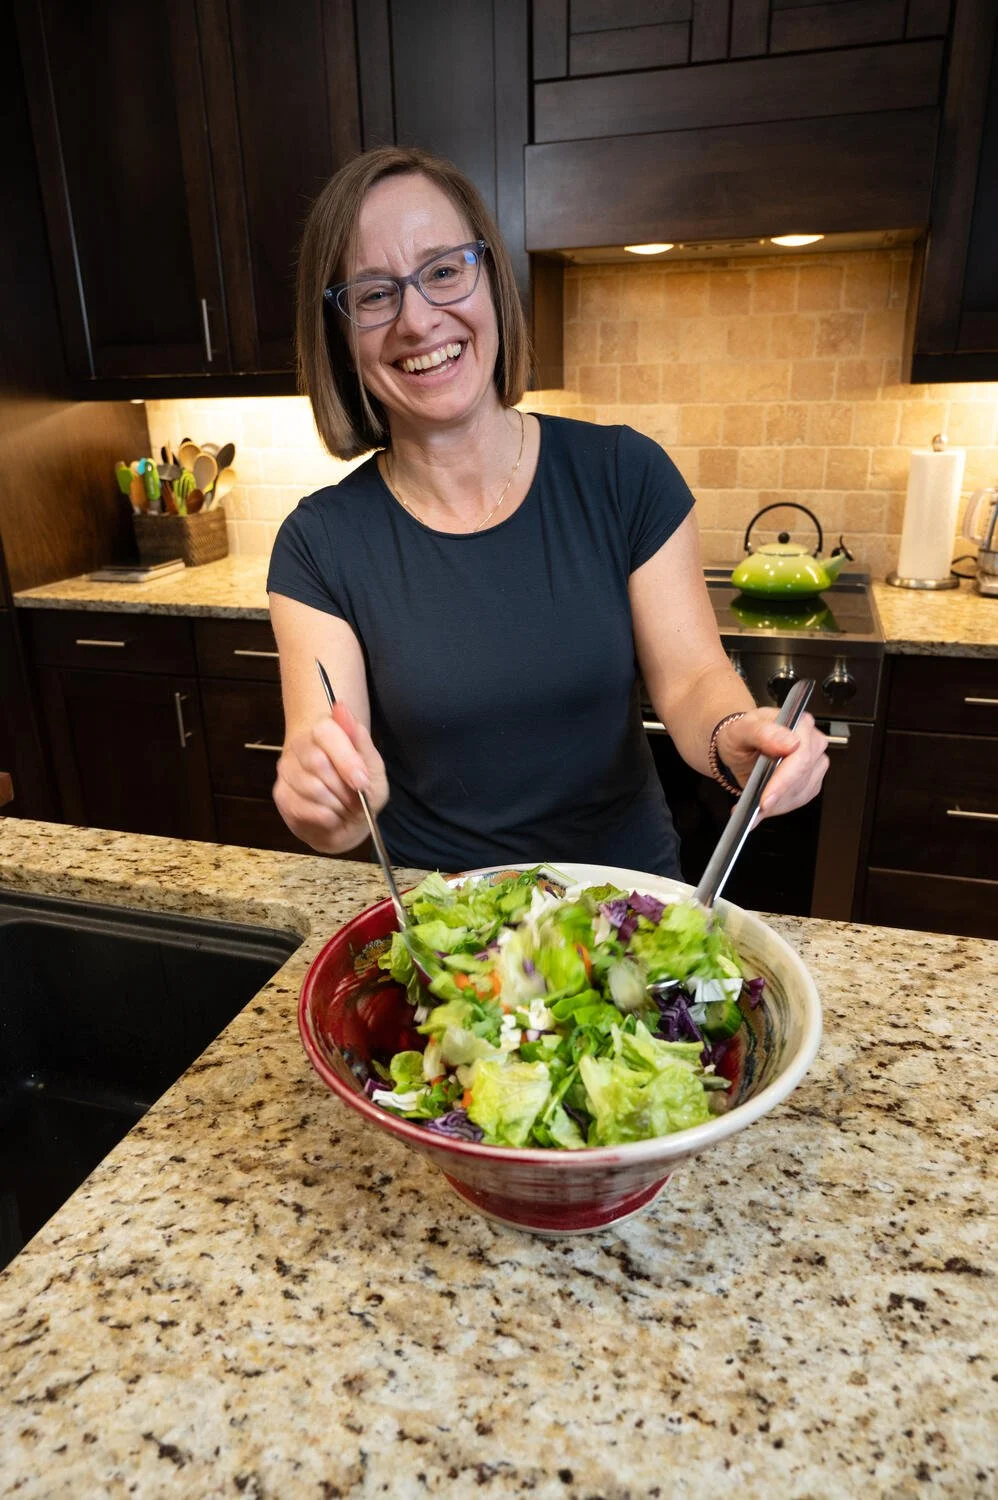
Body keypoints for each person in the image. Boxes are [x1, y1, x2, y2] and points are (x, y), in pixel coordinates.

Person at [266, 145, 828, 878]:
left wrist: (737, 738)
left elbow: (693, 680)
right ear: (341, 338)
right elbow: (330, 763)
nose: (417, 320)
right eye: (374, 294)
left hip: (624, 910)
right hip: (449, 935)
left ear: (491, 280)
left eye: (443, 271)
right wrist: (326, 803)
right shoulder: (318, 545)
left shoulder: (625, 475)